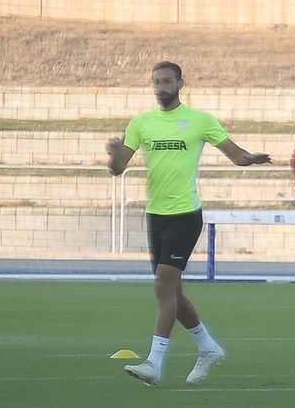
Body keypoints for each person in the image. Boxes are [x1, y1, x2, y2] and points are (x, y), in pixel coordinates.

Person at [106, 61, 272, 386]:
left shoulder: (200, 120)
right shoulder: (141, 123)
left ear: (180, 83)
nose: (161, 87)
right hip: (156, 216)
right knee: (174, 293)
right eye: (156, 82)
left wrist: (251, 159)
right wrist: (113, 153)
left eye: (167, 81)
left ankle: (154, 363)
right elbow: (117, 168)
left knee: (162, 286)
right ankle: (208, 347)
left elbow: (235, 154)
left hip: (185, 215)